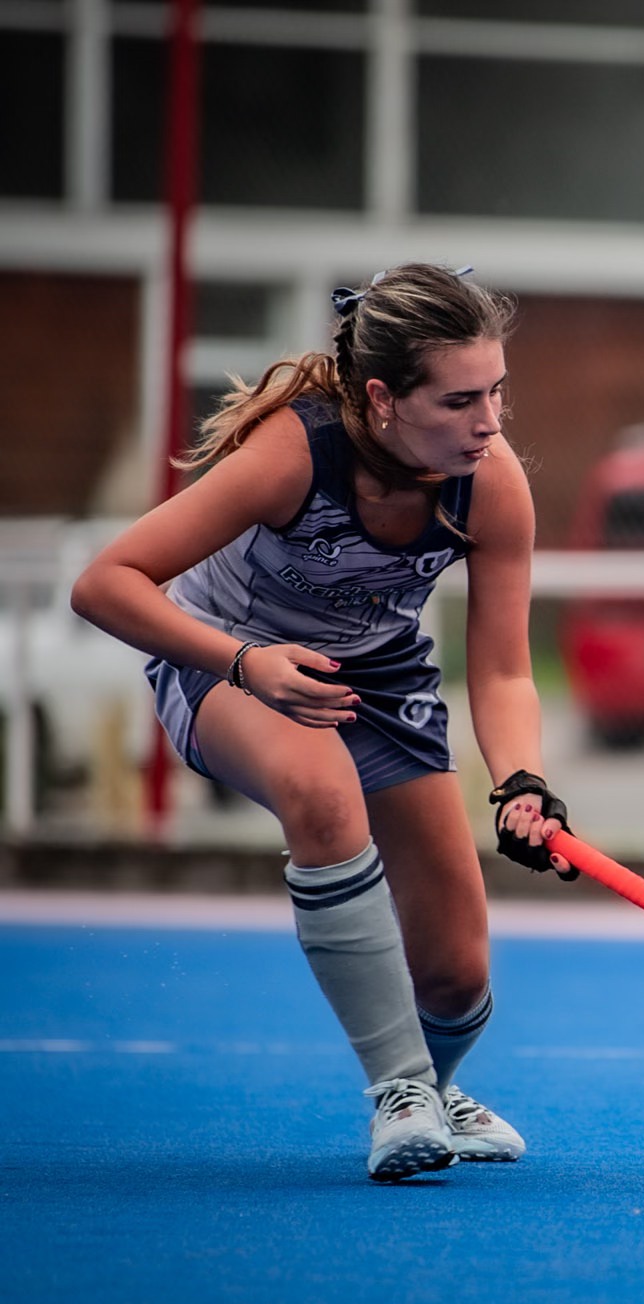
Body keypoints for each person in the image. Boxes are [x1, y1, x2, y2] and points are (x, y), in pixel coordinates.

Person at [71, 263, 578, 1182]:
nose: (491, 422)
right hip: (228, 657)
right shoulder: (291, 454)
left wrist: (523, 782)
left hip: (376, 673)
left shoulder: (490, 483)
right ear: (383, 398)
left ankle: (432, 1081)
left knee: (459, 978)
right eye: (461, 400)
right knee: (319, 788)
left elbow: (503, 667)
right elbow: (104, 582)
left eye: (497, 391)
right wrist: (243, 663)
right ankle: (400, 1092)